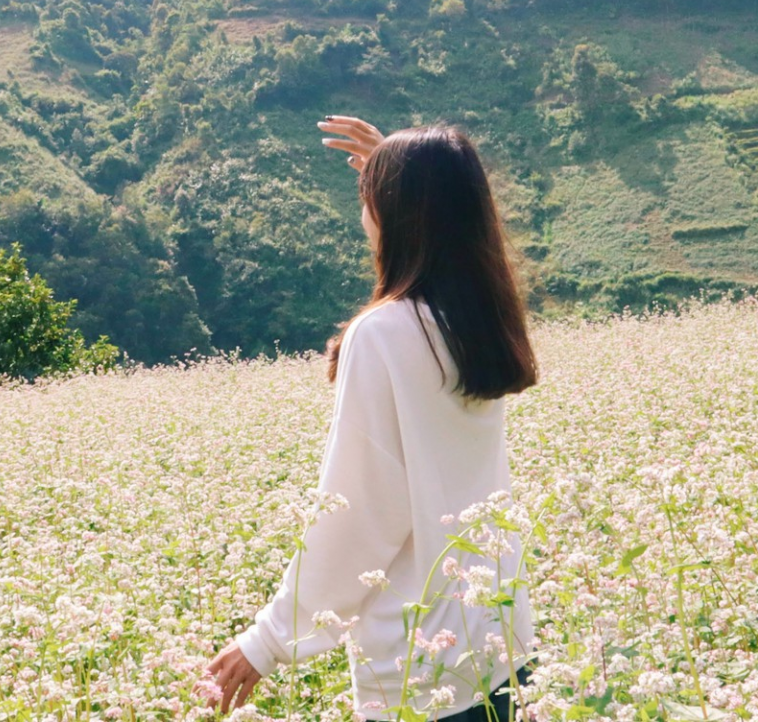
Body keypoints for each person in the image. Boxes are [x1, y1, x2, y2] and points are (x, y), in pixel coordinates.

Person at [202, 116, 539, 720]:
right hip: (497, 639)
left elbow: (356, 512)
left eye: (371, 199)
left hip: (423, 667)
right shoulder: (480, 324)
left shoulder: (382, 335)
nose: (362, 213)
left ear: (398, 214)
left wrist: (268, 640)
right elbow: (450, 210)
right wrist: (399, 168)